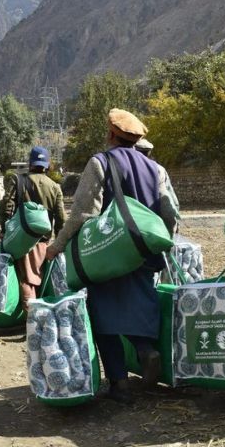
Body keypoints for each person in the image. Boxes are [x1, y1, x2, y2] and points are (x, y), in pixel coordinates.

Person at [46, 109, 179, 403]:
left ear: (110, 134)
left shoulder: (101, 162)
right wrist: (162, 242)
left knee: (103, 317)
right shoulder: (156, 169)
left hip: (107, 254)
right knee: (140, 306)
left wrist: (58, 245)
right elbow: (169, 212)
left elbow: (83, 211)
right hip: (144, 251)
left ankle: (119, 384)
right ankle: (146, 350)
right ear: (137, 139)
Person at [0, 146, 66, 311]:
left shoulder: (18, 180)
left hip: (22, 239)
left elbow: (6, 206)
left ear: (30, 163)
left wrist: (5, 230)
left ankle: (32, 320)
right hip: (44, 241)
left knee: (27, 280)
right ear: (47, 165)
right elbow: (61, 218)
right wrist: (59, 242)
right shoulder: (54, 186)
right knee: (39, 278)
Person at [135, 138, 180, 229]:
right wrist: (174, 223)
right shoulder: (159, 169)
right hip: (154, 222)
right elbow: (170, 197)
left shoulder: (126, 168)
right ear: (149, 153)